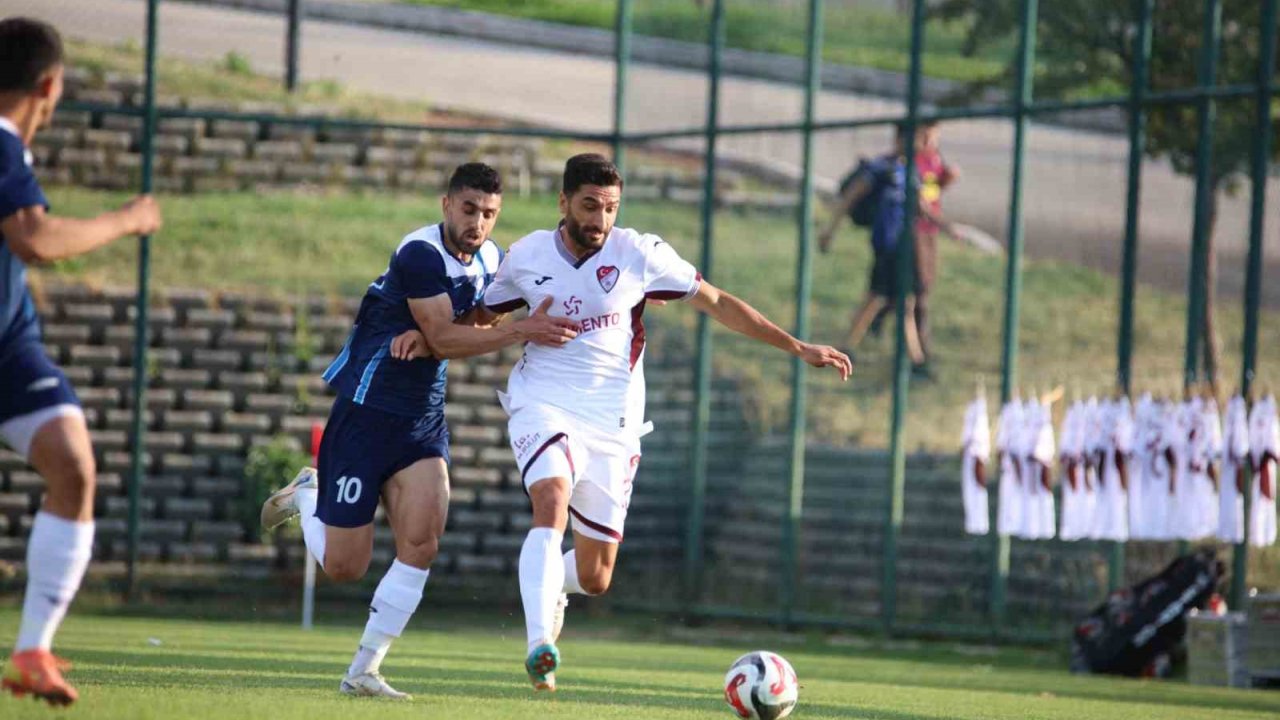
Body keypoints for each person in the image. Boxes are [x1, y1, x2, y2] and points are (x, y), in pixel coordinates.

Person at [482, 153, 852, 691]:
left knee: (595, 576)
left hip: (613, 422)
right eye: (589, 205)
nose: (600, 220)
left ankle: (549, 587)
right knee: (551, 501)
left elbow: (719, 302)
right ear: (563, 202)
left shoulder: (640, 252)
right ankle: (541, 644)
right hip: (543, 402)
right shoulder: (525, 256)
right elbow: (477, 319)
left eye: (610, 208)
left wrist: (797, 347)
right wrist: (517, 330)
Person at [259, 163, 577, 699]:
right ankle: (309, 493)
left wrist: (437, 340)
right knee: (344, 567)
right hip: (366, 415)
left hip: (422, 419)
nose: (479, 222)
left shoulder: (492, 257)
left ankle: (363, 670)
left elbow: (467, 322)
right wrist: (510, 330)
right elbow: (447, 334)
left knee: (423, 542)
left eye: (490, 214)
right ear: (446, 204)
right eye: (470, 209)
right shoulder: (420, 254)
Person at [0, 18, 163, 706]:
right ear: (50, 84)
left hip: (9, 345)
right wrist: (127, 219)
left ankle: (32, 650)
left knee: (73, 463)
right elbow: (36, 238)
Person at [818, 123, 953, 378]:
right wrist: (829, 231)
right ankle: (847, 350)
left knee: (903, 301)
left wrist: (948, 227)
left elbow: (921, 205)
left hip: (905, 247)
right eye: (918, 138)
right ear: (902, 139)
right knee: (877, 298)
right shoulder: (882, 168)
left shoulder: (910, 169)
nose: (923, 144)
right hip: (886, 246)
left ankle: (916, 362)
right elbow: (850, 198)